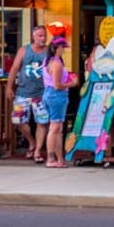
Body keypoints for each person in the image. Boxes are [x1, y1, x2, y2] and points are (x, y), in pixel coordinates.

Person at [6, 25, 49, 162]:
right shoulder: (24, 50)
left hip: (42, 92)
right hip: (23, 92)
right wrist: (9, 87)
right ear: (33, 37)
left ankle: (37, 151)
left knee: (42, 122)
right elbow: (14, 69)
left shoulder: (49, 51)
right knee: (18, 120)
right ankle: (32, 141)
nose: (42, 39)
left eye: (44, 36)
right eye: (39, 36)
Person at [42, 36, 79, 168]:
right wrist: (72, 83)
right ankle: (51, 158)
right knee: (55, 128)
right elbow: (57, 85)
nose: (64, 50)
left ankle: (59, 158)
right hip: (56, 95)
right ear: (57, 48)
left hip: (49, 94)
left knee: (58, 128)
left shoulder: (48, 61)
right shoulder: (57, 64)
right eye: (63, 48)